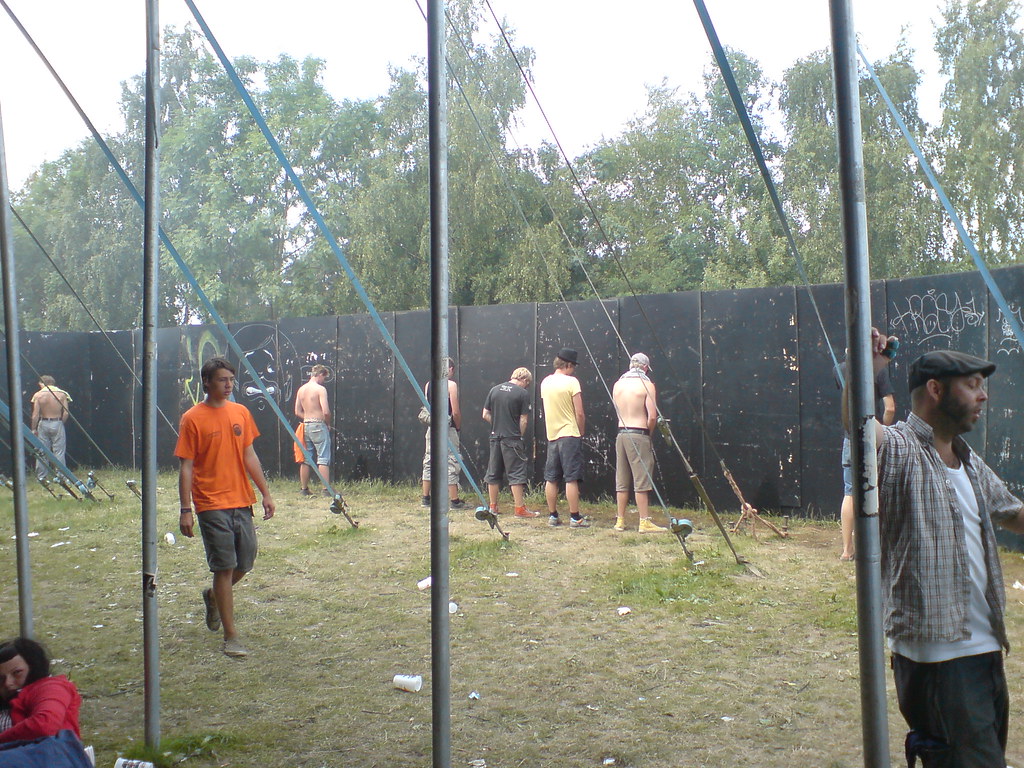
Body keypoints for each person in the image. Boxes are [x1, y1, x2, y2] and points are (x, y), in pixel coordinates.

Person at [851, 331, 1024, 766]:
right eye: (972, 385)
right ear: (935, 389)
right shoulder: (899, 448)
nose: (983, 396)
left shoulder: (967, 461)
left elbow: (1015, 514)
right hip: (939, 661)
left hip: (984, 650)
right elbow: (859, 430)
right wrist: (868, 370)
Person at [176, 357, 276, 658]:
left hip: (241, 501)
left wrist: (266, 493)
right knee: (224, 566)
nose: (229, 384)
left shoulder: (241, 413)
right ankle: (231, 637)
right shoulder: (192, 418)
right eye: (222, 379)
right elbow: (186, 467)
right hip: (210, 503)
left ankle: (214, 597)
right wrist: (186, 509)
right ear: (207, 382)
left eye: (231, 379)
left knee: (245, 562)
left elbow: (250, 456)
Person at [839, 359, 896, 560]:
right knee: (877, 490)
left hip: (850, 439)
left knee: (850, 493)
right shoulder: (878, 371)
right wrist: (884, 430)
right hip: (873, 439)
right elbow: (889, 408)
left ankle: (847, 549)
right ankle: (877, 546)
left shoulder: (841, 368)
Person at [612, 353, 665, 533]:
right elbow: (652, 416)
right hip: (639, 432)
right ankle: (644, 521)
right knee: (641, 479)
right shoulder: (647, 385)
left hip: (621, 433)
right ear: (645, 367)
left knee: (622, 478)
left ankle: (620, 520)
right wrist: (648, 435)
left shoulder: (617, 385)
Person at [539, 348, 588, 528]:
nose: (574, 369)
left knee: (551, 477)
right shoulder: (572, 382)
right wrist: (581, 431)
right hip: (570, 433)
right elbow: (579, 412)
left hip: (552, 435)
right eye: (573, 366)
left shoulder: (545, 382)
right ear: (567, 365)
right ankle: (575, 517)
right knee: (571, 477)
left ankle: (553, 516)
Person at [0, 637, 81, 743]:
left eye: (17, 673)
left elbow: (45, 724)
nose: (8, 683)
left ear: (33, 666)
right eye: (1, 678)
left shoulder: (51, 688)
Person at [482, 367, 538, 519]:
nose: (527, 387)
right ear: (525, 380)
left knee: (493, 473)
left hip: (495, 437)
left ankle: (493, 507)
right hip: (511, 438)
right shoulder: (522, 393)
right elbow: (524, 419)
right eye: (527, 384)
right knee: (516, 473)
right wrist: (518, 435)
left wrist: (497, 424)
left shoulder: (494, 389)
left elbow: (485, 414)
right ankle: (519, 508)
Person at [421, 357, 466, 509]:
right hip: (447, 429)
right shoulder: (451, 385)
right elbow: (456, 412)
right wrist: (457, 427)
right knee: (452, 460)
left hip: (431, 428)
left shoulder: (428, 384)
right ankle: (454, 500)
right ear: (451, 369)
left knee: (429, 460)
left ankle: (426, 498)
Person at [294, 364, 332, 496]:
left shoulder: (301, 389)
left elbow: (297, 411)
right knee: (323, 457)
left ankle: (304, 489)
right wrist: (327, 423)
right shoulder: (320, 389)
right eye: (324, 378)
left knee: (306, 459)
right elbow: (326, 411)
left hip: (305, 425)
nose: (324, 381)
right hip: (318, 425)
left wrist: (308, 418)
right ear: (320, 374)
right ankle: (326, 489)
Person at [30, 375, 72, 480]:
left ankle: (42, 477)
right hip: (57, 422)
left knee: (42, 451)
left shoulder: (38, 395)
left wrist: (33, 428)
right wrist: (61, 422)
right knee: (59, 451)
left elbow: (35, 414)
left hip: (43, 423)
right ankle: (61, 476)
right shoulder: (62, 394)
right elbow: (66, 413)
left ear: (42, 383)